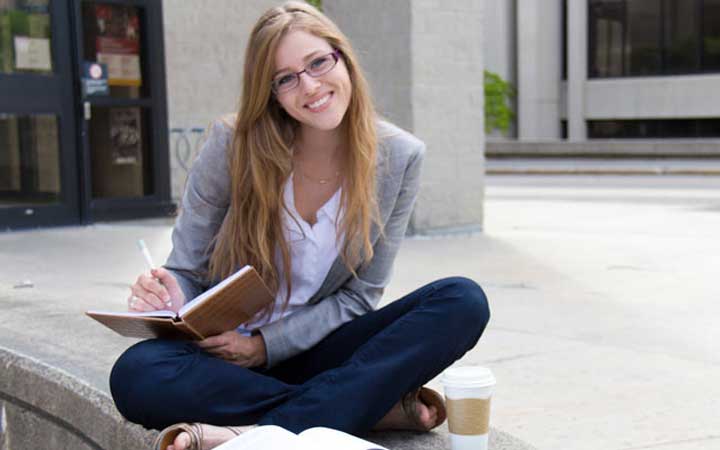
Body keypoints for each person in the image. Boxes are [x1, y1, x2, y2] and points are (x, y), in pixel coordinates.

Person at [108, 3, 490, 449]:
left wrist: (266, 346)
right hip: (223, 360)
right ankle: (360, 407)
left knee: (462, 301)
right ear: (269, 92)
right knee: (135, 375)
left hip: (318, 350)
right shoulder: (232, 146)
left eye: (317, 63)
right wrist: (168, 292)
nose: (310, 86)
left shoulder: (399, 157)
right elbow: (189, 270)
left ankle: (253, 432)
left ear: (342, 58)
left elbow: (359, 296)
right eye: (286, 78)